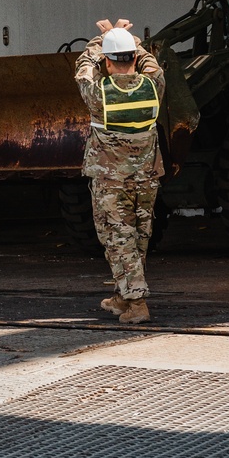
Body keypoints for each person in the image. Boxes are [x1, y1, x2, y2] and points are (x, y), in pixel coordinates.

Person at [73, 18, 165, 325]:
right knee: (138, 238)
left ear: (108, 64)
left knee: (117, 239)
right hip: (147, 178)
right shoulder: (154, 84)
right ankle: (123, 296)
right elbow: (152, 63)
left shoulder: (97, 93)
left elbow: (84, 65)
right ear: (135, 59)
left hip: (112, 180)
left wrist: (101, 39)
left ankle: (136, 303)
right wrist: (129, 37)